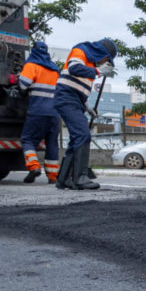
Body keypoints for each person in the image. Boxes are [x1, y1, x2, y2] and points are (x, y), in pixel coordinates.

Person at [53, 37, 116, 191]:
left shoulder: (90, 64)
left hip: (75, 100)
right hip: (66, 98)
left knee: (76, 138)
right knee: (83, 135)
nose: (104, 62)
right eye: (107, 59)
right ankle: (80, 177)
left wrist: (87, 106)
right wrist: (99, 72)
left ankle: (64, 179)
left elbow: (79, 88)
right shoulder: (80, 51)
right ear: (102, 52)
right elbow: (74, 68)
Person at [15, 40, 61, 184]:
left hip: (38, 111)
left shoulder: (32, 65)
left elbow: (23, 85)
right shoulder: (54, 69)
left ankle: (34, 166)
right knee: (52, 144)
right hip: (55, 114)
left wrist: (19, 76)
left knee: (28, 139)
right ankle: (53, 176)